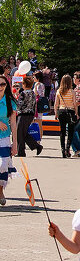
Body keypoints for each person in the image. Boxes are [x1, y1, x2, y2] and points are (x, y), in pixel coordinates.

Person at [0, 74, 17, 205]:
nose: (1, 87)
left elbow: (13, 123)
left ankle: (0, 190)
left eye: (3, 84)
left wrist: (15, 143)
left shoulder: (10, 102)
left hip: (4, 138)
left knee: (2, 165)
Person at [17, 75, 42, 157]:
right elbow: (35, 105)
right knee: (24, 133)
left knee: (19, 133)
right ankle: (36, 146)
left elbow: (19, 105)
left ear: (24, 84)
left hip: (23, 114)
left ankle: (21, 152)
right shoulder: (33, 93)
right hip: (30, 114)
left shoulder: (23, 93)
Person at [54, 74, 78, 158]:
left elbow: (56, 104)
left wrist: (56, 113)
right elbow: (75, 103)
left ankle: (62, 150)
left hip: (61, 111)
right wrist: (76, 113)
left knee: (62, 131)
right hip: (70, 111)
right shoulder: (72, 91)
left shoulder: (59, 91)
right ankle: (68, 149)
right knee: (70, 131)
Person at [33, 70, 47, 138]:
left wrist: (35, 87)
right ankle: (37, 137)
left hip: (38, 105)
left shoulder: (39, 85)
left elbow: (37, 94)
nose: (33, 79)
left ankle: (40, 137)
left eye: (34, 77)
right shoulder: (40, 84)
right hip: (37, 104)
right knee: (37, 121)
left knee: (39, 121)